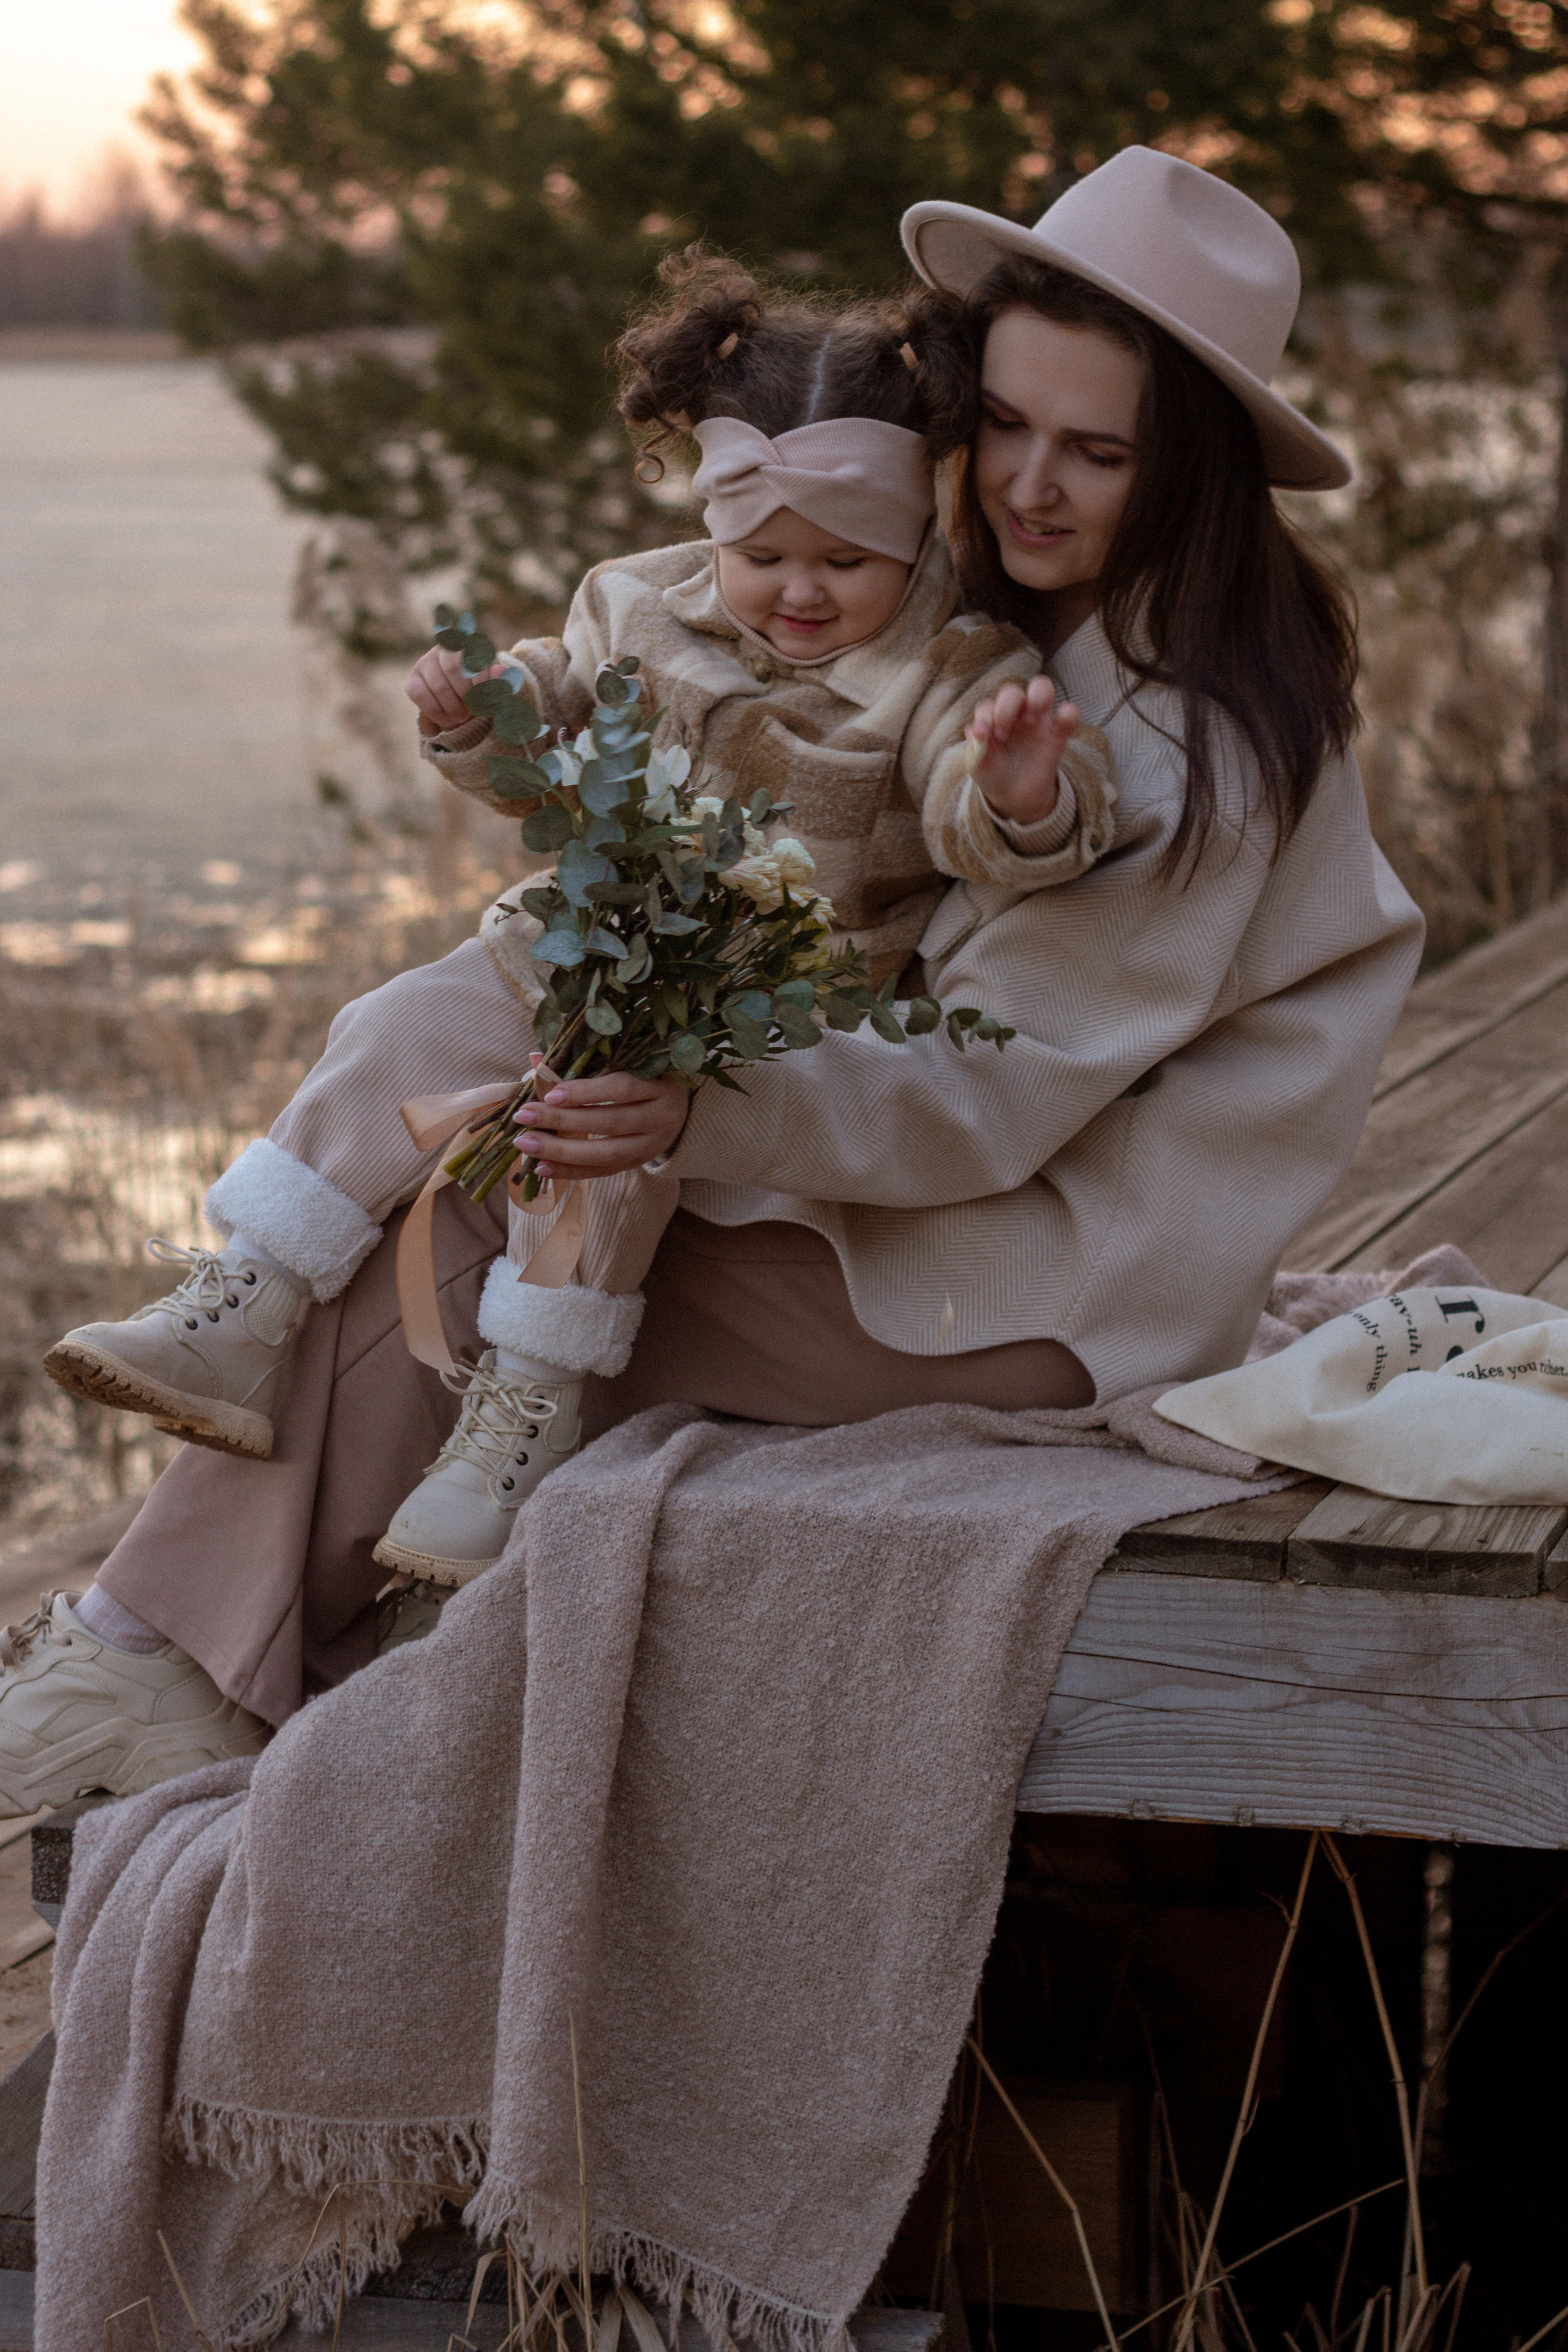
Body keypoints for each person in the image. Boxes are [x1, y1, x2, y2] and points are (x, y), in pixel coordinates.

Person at [0, 145, 1421, 1814]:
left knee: (465, 1231)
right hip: (934, 1199)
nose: (1031, 484)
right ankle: (217, 1651)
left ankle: (169, 1668)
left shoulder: (1182, 734)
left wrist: (684, 1100)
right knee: (479, 1154)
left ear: (1188, 466)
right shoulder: (1031, 631)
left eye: (1094, 450)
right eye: (1008, 429)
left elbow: (983, 1098)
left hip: (1041, 1280)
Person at [41, 252, 1118, 1601]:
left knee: (597, 1155)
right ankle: (244, 1299)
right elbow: (547, 746)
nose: (796, 591)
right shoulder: (634, 602)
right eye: (760, 555)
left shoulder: (954, 665)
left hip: (752, 1008)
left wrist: (1016, 789)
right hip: (569, 935)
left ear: (913, 536)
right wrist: (481, 714)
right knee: (392, 1026)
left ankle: (517, 1423)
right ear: (710, 529)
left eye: (845, 560)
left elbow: (978, 818)